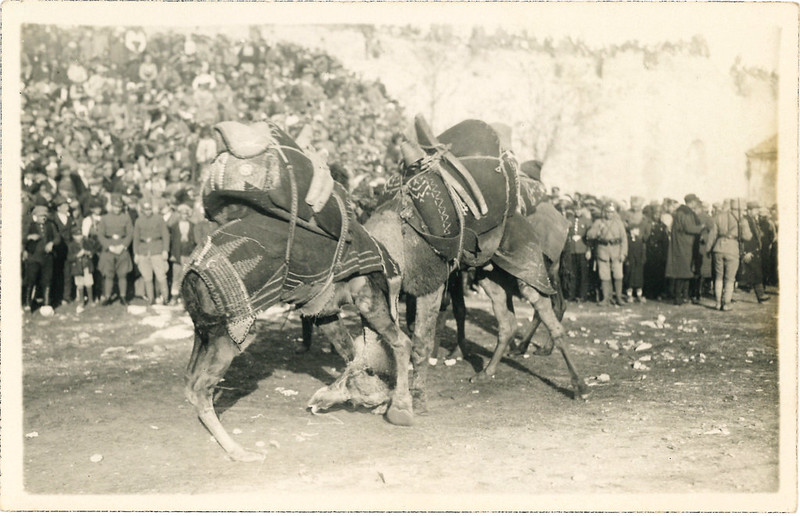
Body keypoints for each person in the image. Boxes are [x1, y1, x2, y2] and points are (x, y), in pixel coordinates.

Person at [708, 199, 751, 311]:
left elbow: (712, 235)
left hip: (718, 248)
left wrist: (708, 249)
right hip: (732, 249)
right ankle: (726, 303)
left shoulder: (719, 217)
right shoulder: (742, 220)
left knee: (718, 277)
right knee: (730, 279)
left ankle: (718, 303)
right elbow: (748, 237)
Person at [665, 193, 705, 305]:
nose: (696, 204)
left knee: (684, 271)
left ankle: (682, 296)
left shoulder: (682, 212)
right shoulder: (685, 213)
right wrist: (701, 228)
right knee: (682, 271)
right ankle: (678, 297)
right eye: (695, 202)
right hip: (683, 245)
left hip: (684, 244)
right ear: (691, 202)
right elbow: (689, 228)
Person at [586, 202, 628, 305]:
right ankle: (605, 298)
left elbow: (624, 239)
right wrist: (598, 230)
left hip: (616, 251)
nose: (609, 214)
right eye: (607, 212)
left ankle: (618, 297)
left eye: (611, 212)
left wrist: (623, 253)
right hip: (603, 251)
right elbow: (589, 235)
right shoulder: (598, 222)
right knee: (604, 275)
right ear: (604, 212)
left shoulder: (619, 223)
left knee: (618, 275)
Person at [97, 194, 134, 305]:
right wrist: (109, 246)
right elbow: (100, 235)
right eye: (115, 206)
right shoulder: (104, 218)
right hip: (109, 248)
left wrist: (123, 246)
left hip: (122, 247)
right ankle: (108, 296)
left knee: (123, 274)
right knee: (108, 274)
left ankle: (123, 296)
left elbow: (130, 233)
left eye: (119, 207)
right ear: (111, 206)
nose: (117, 209)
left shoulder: (126, 217)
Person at [23, 205, 60, 314]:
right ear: (35, 216)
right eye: (40, 216)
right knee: (31, 280)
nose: (43, 218)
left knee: (47, 280)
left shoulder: (50, 225)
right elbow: (21, 238)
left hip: (47, 258)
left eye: (44, 216)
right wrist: (29, 237)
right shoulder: (30, 226)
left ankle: (46, 303)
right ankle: (27, 304)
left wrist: (52, 243)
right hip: (33, 257)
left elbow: (57, 238)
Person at [132, 198, 170, 305]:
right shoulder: (138, 221)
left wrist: (165, 250)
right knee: (147, 277)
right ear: (142, 210)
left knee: (161, 276)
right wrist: (136, 253)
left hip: (156, 249)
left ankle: (165, 298)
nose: (148, 211)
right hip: (143, 250)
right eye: (145, 209)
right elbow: (136, 238)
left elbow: (165, 235)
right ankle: (151, 299)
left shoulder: (159, 219)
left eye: (149, 209)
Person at [740, 201, 771, 303]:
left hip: (754, 250)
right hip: (750, 250)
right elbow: (746, 237)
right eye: (755, 209)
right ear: (749, 210)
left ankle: (760, 295)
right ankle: (760, 295)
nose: (757, 211)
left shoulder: (752, 220)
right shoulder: (745, 221)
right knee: (755, 272)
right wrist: (747, 252)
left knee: (756, 272)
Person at [66, 225, 100, 313]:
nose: (79, 237)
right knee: (80, 284)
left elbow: (93, 251)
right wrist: (77, 255)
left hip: (87, 266)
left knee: (89, 283)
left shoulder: (87, 242)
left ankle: (91, 300)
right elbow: (69, 258)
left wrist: (89, 253)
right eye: (77, 235)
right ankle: (81, 301)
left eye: (80, 235)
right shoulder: (71, 245)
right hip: (77, 268)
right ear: (73, 236)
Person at [622, 196, 651, 303]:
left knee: (639, 273)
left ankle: (639, 293)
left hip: (640, 247)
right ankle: (629, 293)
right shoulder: (626, 216)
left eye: (637, 206)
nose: (635, 207)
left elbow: (647, 234)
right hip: (630, 246)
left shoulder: (644, 219)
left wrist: (642, 237)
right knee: (629, 272)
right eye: (634, 205)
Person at [168, 204, 197, 305]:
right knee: (176, 277)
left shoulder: (193, 225)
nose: (184, 216)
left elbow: (194, 241)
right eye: (182, 214)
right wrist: (173, 254)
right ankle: (174, 297)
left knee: (186, 277)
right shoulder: (174, 226)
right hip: (177, 255)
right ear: (179, 214)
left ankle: (184, 299)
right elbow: (172, 241)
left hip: (188, 254)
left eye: (186, 214)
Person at [563, 205, 591, 302]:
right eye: (576, 209)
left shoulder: (587, 221)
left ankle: (582, 296)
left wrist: (588, 250)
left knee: (583, 274)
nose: (577, 211)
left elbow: (589, 237)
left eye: (579, 209)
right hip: (572, 250)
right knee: (572, 273)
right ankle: (571, 295)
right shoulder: (570, 220)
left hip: (582, 250)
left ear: (582, 210)